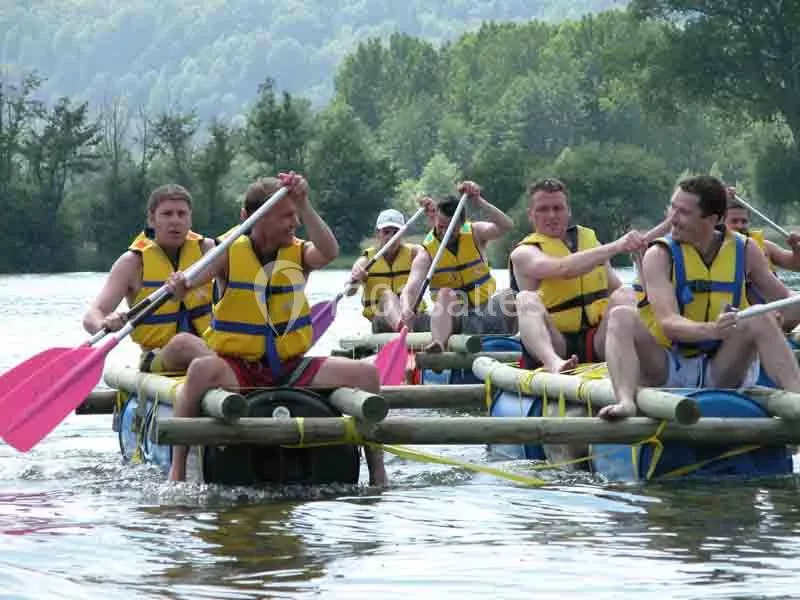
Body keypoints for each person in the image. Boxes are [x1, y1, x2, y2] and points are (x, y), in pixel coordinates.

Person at [165, 173, 387, 485]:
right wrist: (179, 285)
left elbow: (329, 252)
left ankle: (378, 471)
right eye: (287, 216)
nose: (294, 223)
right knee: (200, 370)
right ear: (259, 219)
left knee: (368, 375)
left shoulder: (300, 252)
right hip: (239, 367)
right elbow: (192, 281)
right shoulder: (226, 252)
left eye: (296, 215)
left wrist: (304, 203)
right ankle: (177, 470)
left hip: (290, 366)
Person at [600, 175, 800, 420]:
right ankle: (625, 401)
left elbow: (787, 300)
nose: (672, 218)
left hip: (722, 367)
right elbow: (668, 323)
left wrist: (783, 311)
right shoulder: (659, 255)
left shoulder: (746, 249)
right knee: (620, 316)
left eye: (683, 212)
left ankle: (797, 399)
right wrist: (714, 330)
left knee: (760, 316)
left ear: (712, 219)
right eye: (672, 208)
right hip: (667, 366)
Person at [509, 178, 646, 373]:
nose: (551, 215)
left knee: (624, 294)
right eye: (543, 209)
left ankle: (636, 356)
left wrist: (642, 259)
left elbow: (616, 288)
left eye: (558, 208)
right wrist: (617, 246)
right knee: (525, 298)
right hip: (556, 342)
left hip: (596, 340)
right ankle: (553, 363)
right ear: (531, 215)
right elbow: (563, 269)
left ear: (568, 211)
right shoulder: (524, 253)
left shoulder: (591, 244)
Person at [82, 184, 215, 373]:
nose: (175, 221)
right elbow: (93, 314)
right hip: (158, 358)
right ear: (152, 220)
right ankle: (223, 370)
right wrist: (104, 323)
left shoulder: (208, 250)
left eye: (182, 214)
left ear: (190, 219)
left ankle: (222, 369)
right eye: (167, 214)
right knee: (183, 344)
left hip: (210, 348)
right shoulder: (132, 263)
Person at [399, 181, 516, 352]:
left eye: (451, 228)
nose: (444, 233)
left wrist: (478, 201)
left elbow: (506, 225)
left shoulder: (475, 232)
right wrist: (406, 308)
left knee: (513, 296)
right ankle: (439, 344)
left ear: (462, 223)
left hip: (486, 309)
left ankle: (519, 347)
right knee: (446, 293)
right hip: (455, 317)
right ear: (435, 220)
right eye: (440, 226)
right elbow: (410, 289)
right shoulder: (426, 253)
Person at [348, 208, 430, 333]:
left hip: (413, 315)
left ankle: (410, 331)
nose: (391, 238)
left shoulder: (415, 253)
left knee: (427, 317)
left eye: (396, 232)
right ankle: (402, 328)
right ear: (377, 233)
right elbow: (349, 292)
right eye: (386, 232)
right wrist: (356, 280)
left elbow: (429, 250)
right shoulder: (365, 261)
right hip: (382, 320)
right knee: (387, 295)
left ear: (402, 233)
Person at [725, 193, 800, 271]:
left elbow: (797, 265)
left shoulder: (766, 247)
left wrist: (796, 247)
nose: (740, 226)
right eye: (734, 221)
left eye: (744, 221)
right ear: (722, 221)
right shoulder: (716, 248)